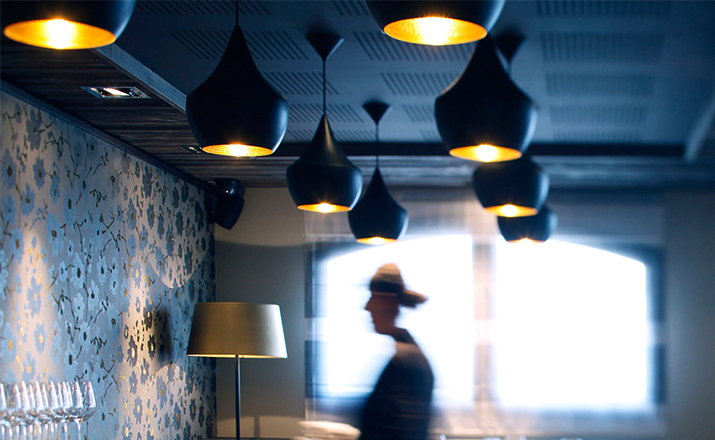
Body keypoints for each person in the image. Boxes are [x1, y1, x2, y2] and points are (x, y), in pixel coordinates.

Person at [359, 263, 434, 440]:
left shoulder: (407, 362)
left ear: (389, 301)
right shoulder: (406, 356)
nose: (367, 306)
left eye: (373, 297)